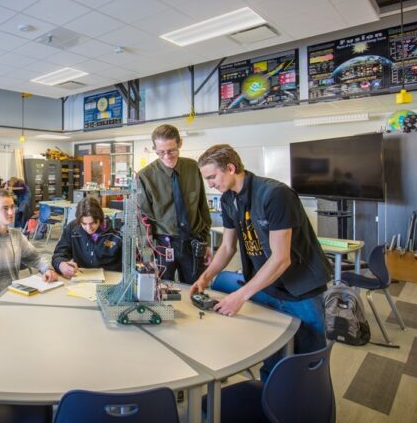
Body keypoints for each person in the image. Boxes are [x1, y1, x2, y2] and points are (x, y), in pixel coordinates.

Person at [190, 144, 332, 381]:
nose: (210, 184)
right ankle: (272, 409)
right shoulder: (228, 200)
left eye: (212, 177)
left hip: (301, 288)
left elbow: (281, 258)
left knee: (308, 363)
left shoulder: (275, 194)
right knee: (273, 360)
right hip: (266, 287)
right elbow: (227, 247)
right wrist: (206, 277)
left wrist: (240, 295)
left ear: (231, 168)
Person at [136, 124, 211, 284]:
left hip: (193, 242)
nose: (166, 156)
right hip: (163, 244)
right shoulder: (145, 176)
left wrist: (206, 242)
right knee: (161, 290)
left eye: (171, 150)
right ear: (154, 148)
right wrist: (147, 254)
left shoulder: (192, 168)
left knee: (196, 287)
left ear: (180, 143)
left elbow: (202, 207)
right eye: (161, 152)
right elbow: (143, 220)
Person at [0, 189, 58, 310]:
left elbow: (36, 258)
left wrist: (47, 269)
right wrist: (1, 306)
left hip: (15, 297)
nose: (11, 212)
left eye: (12, 207)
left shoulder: (16, 235)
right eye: (5, 208)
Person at [52, 197, 122, 277]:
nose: (89, 229)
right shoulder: (72, 228)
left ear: (100, 218)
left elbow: (131, 263)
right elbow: (59, 253)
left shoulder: (115, 231)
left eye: (93, 223)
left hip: (111, 279)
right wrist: (61, 265)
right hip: (83, 279)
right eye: (84, 224)